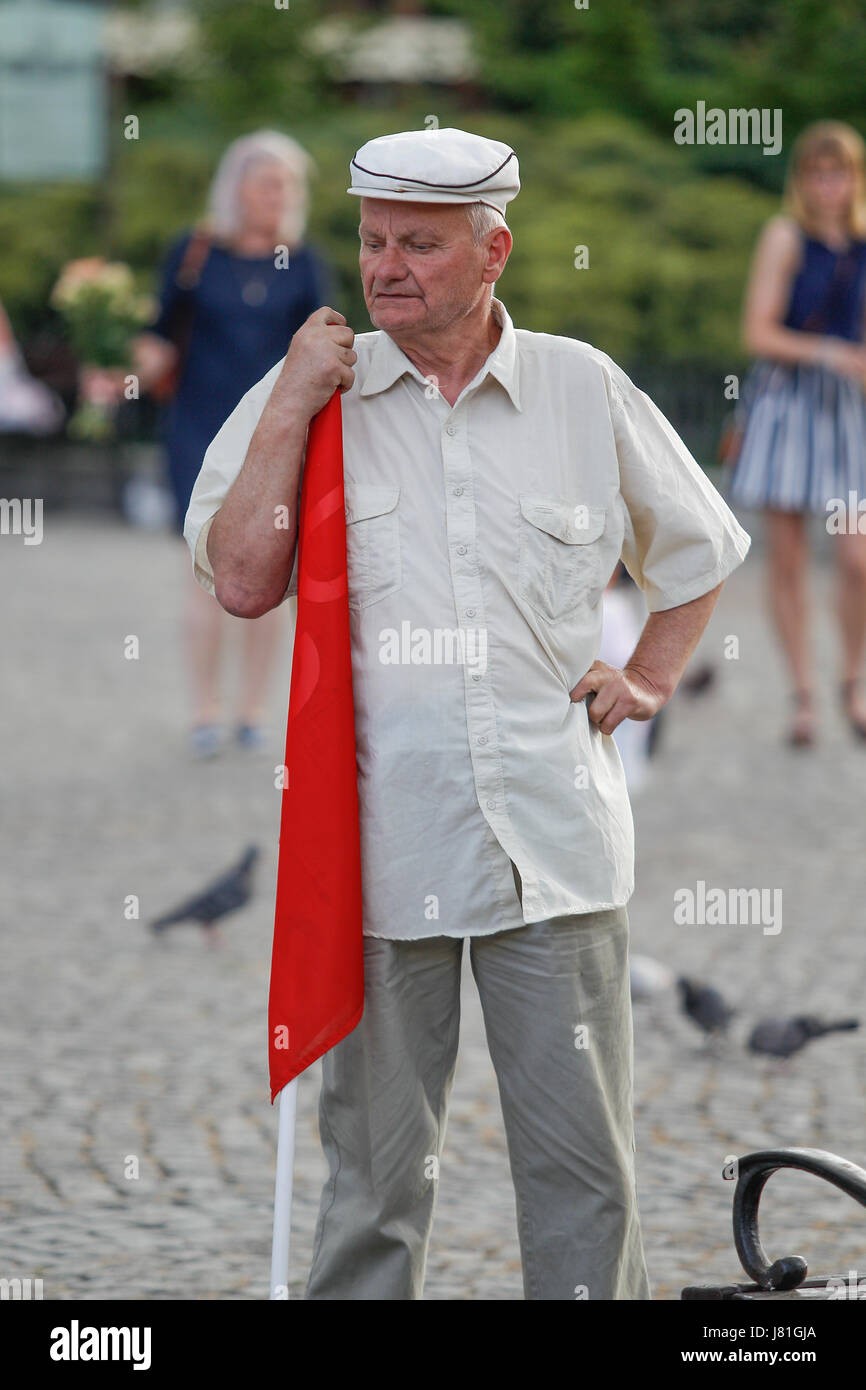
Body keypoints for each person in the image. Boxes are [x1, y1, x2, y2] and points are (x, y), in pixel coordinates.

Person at [184, 128, 751, 1300]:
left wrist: (645, 673)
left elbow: (696, 552)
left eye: (420, 245)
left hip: (556, 846)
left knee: (583, 1181)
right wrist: (289, 400)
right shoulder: (316, 395)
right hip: (385, 856)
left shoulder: (579, 386)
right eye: (372, 239)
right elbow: (242, 581)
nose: (385, 267)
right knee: (375, 1187)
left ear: (493, 249)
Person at [133, 130, 331, 756]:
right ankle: (204, 711)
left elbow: (324, 345)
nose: (280, 195)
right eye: (269, 181)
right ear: (236, 186)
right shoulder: (194, 253)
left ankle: (251, 709)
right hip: (197, 426)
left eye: (289, 186)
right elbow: (159, 335)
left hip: (275, 434)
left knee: (267, 571)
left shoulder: (302, 262)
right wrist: (122, 361)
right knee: (202, 571)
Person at [725, 121, 866, 748]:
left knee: (856, 559)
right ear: (802, 180)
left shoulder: (862, 242)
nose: (828, 185)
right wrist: (830, 353)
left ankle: (852, 683)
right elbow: (759, 333)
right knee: (785, 561)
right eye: (817, 172)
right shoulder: (785, 236)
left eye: (838, 172)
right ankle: (804, 695)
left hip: (847, 414)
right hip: (790, 407)